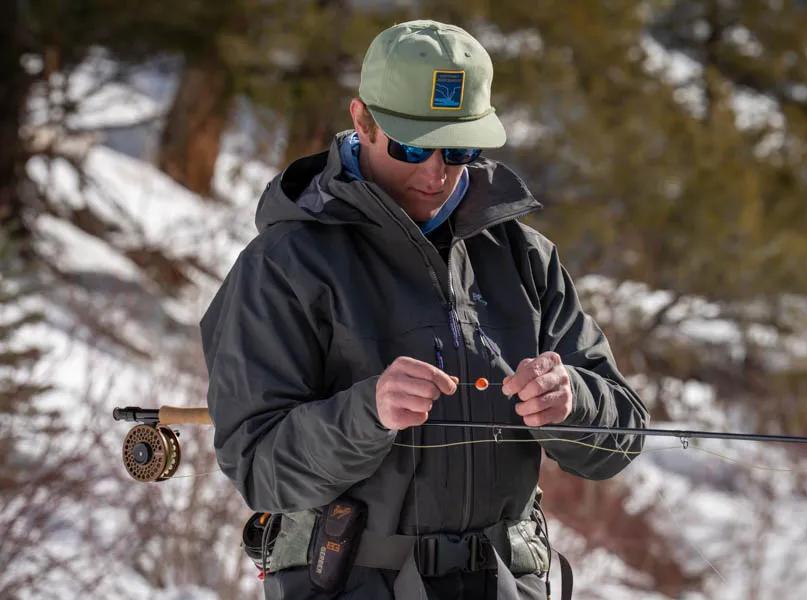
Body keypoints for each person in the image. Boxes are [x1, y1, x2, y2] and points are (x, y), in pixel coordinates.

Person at [200, 19, 648, 600]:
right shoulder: (283, 265)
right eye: (412, 146)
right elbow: (258, 466)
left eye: (459, 148)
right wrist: (367, 414)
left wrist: (573, 402)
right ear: (361, 120)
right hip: (349, 583)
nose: (436, 172)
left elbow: (624, 433)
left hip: (509, 582)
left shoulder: (524, 257)